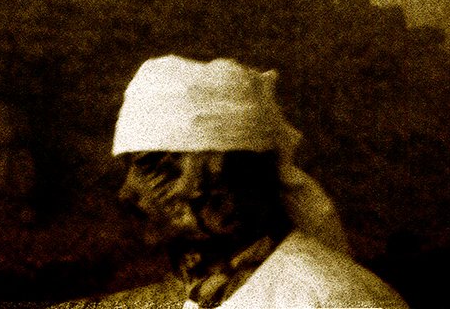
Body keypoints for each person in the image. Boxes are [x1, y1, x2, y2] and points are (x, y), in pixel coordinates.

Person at [109, 56, 408, 309]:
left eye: (149, 166)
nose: (127, 193)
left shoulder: (331, 300)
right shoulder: (211, 295)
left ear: (223, 180)